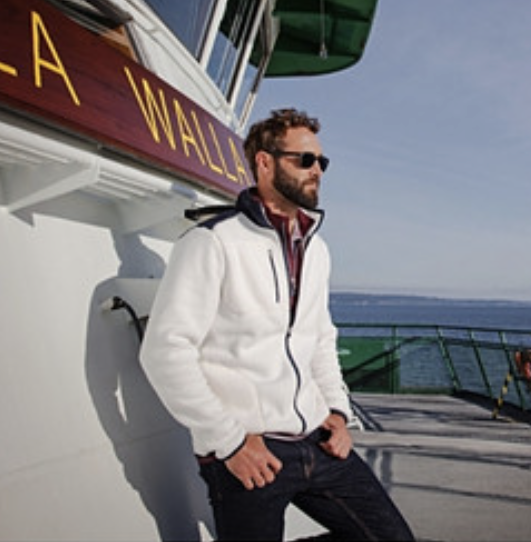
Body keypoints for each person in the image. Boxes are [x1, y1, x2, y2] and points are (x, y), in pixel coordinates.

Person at [140, 108, 414, 541]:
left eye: (322, 162)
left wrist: (339, 413)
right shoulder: (212, 242)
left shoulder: (317, 250)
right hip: (250, 449)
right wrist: (228, 441)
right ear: (264, 163)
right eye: (304, 160)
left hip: (318, 440)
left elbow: (320, 339)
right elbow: (164, 351)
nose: (318, 171)